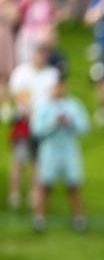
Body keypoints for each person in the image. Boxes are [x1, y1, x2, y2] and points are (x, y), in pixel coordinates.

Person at [31, 75, 90, 232]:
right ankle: (40, 218)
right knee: (45, 184)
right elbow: (36, 130)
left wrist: (70, 122)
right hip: (49, 148)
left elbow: (84, 127)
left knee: (74, 184)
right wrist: (53, 123)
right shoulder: (43, 106)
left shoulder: (73, 105)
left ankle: (79, 219)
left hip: (69, 148)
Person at [8, 43, 60, 209]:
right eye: (39, 53)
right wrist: (26, 109)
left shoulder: (52, 74)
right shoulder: (21, 72)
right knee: (19, 158)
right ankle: (14, 193)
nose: (42, 57)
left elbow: (54, 96)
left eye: (45, 54)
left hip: (43, 122)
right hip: (23, 121)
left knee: (38, 159)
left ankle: (34, 192)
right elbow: (15, 94)